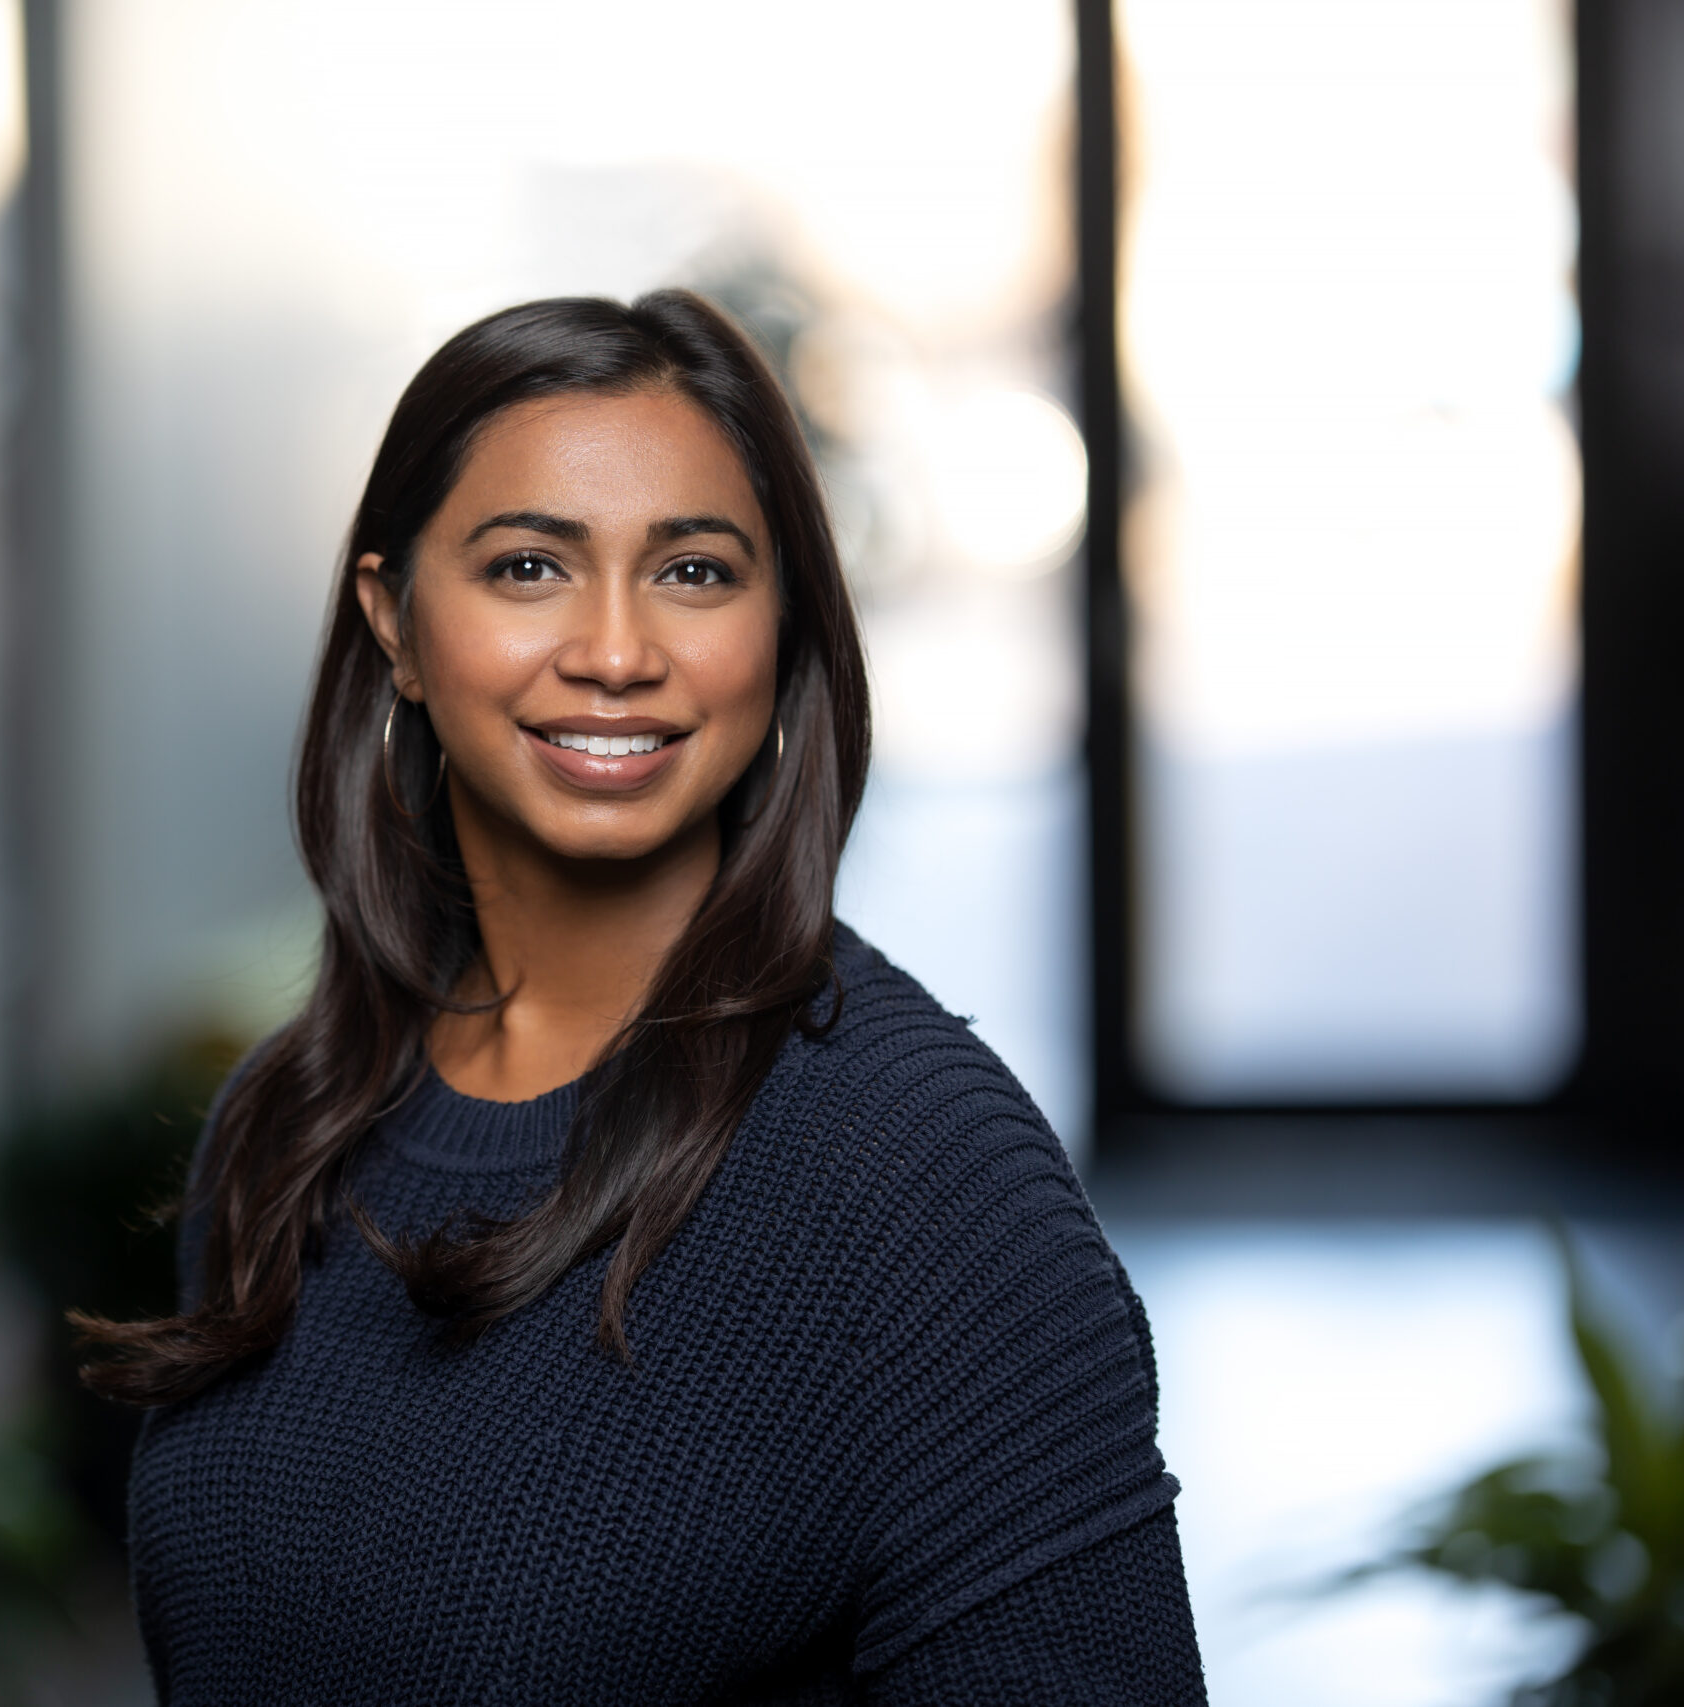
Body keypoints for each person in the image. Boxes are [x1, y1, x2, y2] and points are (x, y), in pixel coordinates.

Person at [78, 291, 1203, 1703]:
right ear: (398, 626)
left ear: (780, 629)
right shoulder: (284, 1123)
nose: (616, 650)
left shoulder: (922, 1177)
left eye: (694, 574)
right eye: (530, 567)